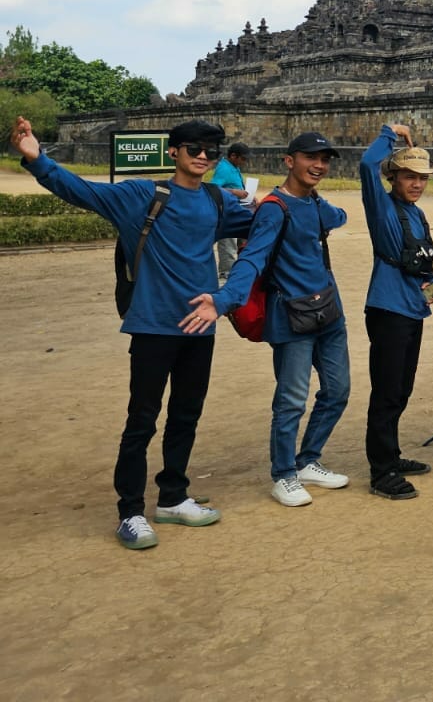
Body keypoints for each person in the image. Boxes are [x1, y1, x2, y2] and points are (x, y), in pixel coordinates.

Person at [10, 116, 253, 551]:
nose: (202, 156)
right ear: (173, 152)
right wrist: (36, 159)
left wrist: (302, 197)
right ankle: (131, 511)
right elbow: (83, 192)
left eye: (210, 150)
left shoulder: (217, 202)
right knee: (141, 420)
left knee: (186, 414)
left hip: (200, 326)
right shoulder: (144, 194)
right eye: (193, 148)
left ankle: (174, 496)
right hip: (153, 326)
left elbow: (265, 220)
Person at [186, 132, 352, 509]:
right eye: (311, 157)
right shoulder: (275, 208)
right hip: (291, 316)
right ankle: (283, 474)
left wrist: (321, 200)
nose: (319, 165)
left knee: (338, 390)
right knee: (291, 400)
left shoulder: (312, 202)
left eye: (325, 159)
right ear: (288, 160)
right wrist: (226, 297)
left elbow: (338, 217)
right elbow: (253, 259)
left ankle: (308, 459)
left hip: (328, 311)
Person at [359, 123, 433, 500]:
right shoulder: (383, 209)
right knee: (387, 390)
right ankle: (381, 473)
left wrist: (430, 291)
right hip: (387, 308)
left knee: (402, 389)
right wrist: (388, 134)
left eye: (422, 178)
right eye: (409, 176)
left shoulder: (417, 214)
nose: (417, 184)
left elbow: (417, 262)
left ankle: (390, 456)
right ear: (393, 177)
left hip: (412, 307)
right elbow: (365, 166)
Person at [211, 142, 251, 283]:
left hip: (239, 208)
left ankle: (239, 269)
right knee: (228, 243)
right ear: (233, 156)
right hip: (227, 211)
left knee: (243, 240)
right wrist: (234, 192)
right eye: (243, 159)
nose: (245, 162)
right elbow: (213, 189)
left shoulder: (234, 167)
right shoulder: (223, 169)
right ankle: (226, 272)